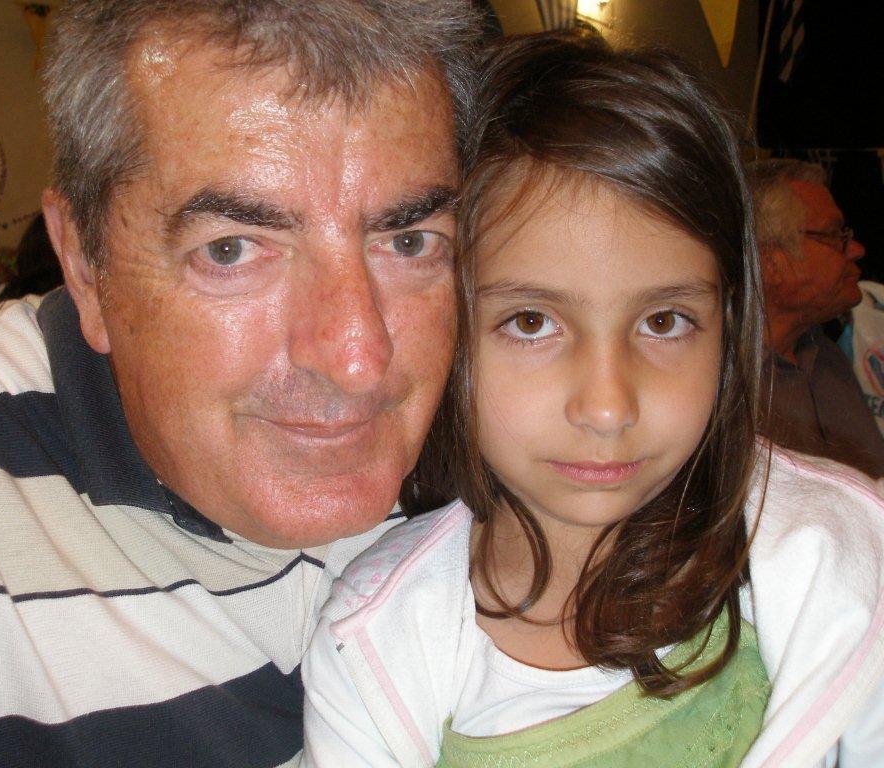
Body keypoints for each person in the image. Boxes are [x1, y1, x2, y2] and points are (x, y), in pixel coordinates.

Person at [0, 1, 484, 765]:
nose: (357, 357)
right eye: (231, 250)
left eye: (409, 240)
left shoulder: (522, 453)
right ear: (84, 263)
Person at [302, 36, 884, 767]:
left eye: (664, 322)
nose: (608, 409)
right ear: (446, 328)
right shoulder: (374, 645)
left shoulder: (845, 565)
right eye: (531, 322)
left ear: (729, 328)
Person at [748, 159, 884, 477]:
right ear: (770, 261)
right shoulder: (722, 383)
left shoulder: (825, 354)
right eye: (835, 234)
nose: (856, 250)